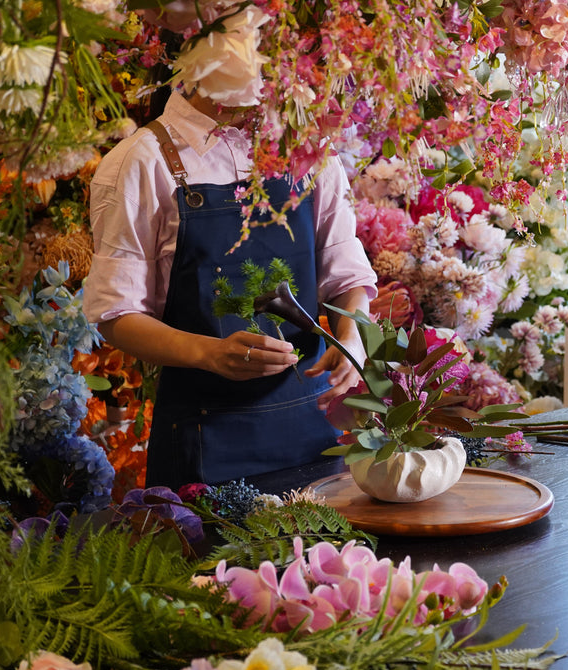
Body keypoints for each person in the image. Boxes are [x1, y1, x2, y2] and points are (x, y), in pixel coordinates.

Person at [83, 55, 377, 489]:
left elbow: (346, 273)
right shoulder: (141, 162)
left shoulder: (309, 153)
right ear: (198, 49)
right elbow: (116, 315)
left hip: (316, 435)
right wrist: (210, 354)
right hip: (203, 442)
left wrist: (352, 333)